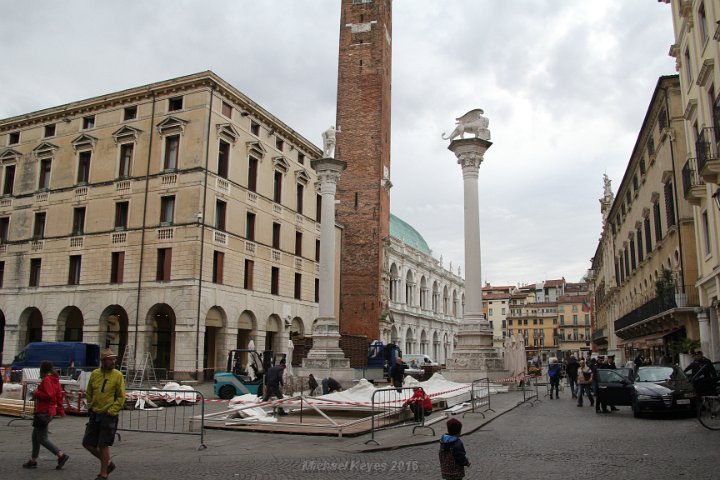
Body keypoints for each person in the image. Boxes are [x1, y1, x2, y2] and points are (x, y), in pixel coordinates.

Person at [83, 348, 125, 480]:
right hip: (95, 413)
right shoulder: (95, 374)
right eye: (110, 359)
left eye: (114, 359)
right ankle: (107, 463)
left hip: (108, 415)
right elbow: (89, 391)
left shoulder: (117, 375)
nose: (113, 361)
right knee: (87, 443)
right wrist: (90, 405)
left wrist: (112, 411)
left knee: (103, 445)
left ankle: (103, 473)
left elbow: (121, 396)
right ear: (103, 361)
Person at [23, 361, 69, 470]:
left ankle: (61, 455)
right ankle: (33, 460)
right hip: (49, 411)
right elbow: (58, 395)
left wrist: (36, 392)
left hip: (43, 411)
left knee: (42, 438)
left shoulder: (47, 379)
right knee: (35, 437)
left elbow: (49, 395)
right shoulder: (55, 380)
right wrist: (61, 410)